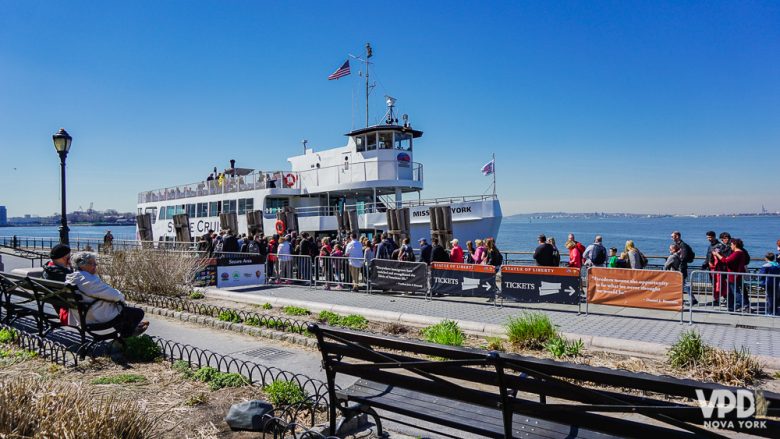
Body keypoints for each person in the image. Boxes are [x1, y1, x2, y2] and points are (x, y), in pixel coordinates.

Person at [66, 252, 148, 337]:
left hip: (82, 317)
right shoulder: (88, 280)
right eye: (93, 263)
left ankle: (130, 332)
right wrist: (121, 299)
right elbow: (115, 296)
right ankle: (125, 339)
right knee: (137, 313)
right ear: (82, 265)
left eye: (95, 263)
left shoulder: (71, 278)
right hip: (96, 317)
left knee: (124, 314)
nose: (95, 265)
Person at [712, 238, 749, 312]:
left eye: (731, 244)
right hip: (734, 275)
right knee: (730, 292)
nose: (730, 246)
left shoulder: (738, 253)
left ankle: (743, 305)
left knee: (735, 292)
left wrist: (717, 254)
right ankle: (731, 307)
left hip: (733, 275)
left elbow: (726, 261)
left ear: (735, 245)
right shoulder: (739, 253)